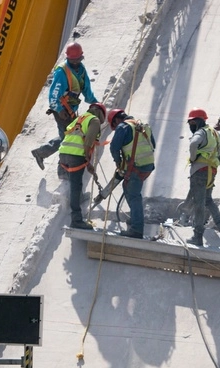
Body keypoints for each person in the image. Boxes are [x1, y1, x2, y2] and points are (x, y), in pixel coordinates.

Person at [32, 43, 97, 171]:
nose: (77, 62)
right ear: (69, 59)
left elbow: (86, 89)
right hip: (61, 110)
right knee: (67, 139)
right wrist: (60, 110)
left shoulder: (81, 70)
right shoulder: (61, 72)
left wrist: (94, 102)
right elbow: (53, 95)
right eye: (74, 60)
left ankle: (41, 153)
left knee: (67, 136)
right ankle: (62, 170)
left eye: (79, 59)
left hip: (71, 110)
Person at [107, 108, 156, 239]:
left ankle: (137, 229)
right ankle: (135, 219)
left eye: (114, 125)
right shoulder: (143, 126)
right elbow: (153, 145)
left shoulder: (123, 127)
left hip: (136, 167)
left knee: (133, 195)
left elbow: (114, 147)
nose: (116, 127)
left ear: (117, 120)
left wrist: (118, 162)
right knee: (128, 189)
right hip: (148, 166)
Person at [185, 108, 220, 247]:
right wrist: (219, 129)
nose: (190, 126)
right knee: (208, 200)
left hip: (199, 171)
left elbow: (193, 143)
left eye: (191, 123)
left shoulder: (200, 133)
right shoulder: (214, 133)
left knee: (198, 203)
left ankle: (197, 236)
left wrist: (193, 158)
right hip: (211, 171)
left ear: (197, 121)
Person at [57, 102, 106, 230]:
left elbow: (69, 135)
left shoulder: (79, 119)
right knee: (76, 186)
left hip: (63, 155)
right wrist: (86, 158)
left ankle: (78, 199)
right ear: (100, 113)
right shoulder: (94, 120)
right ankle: (76, 220)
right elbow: (89, 140)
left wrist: (87, 164)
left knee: (75, 184)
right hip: (75, 156)